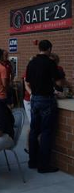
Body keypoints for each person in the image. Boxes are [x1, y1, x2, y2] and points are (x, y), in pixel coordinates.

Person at [25, 40, 64, 173]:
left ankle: (32, 161)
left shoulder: (31, 62)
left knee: (34, 131)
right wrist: (59, 87)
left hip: (34, 99)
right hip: (47, 100)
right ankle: (44, 165)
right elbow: (58, 81)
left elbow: (28, 81)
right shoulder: (50, 63)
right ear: (49, 49)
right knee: (47, 132)